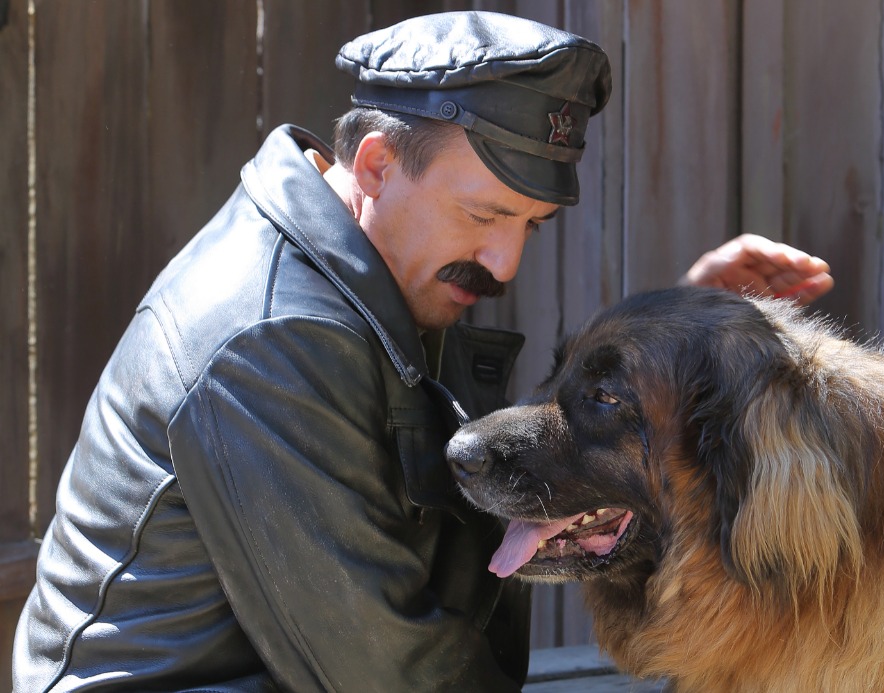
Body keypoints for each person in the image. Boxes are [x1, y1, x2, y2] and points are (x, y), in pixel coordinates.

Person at [12, 11, 831, 692]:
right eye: (483, 216)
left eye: (530, 225)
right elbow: (390, 672)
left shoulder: (367, 273)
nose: (507, 261)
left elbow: (516, 452)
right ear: (375, 164)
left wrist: (679, 340)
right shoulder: (269, 338)